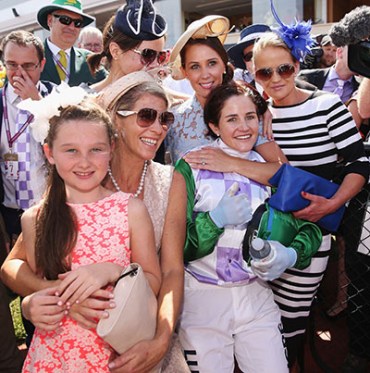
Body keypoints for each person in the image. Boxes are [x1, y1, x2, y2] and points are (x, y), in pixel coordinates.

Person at [1, 71, 189, 373]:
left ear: (107, 147)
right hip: (54, 355)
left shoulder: (147, 195)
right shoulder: (45, 209)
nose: (157, 127)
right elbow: (18, 266)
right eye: (146, 116)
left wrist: (161, 338)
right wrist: (40, 299)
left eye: (164, 119)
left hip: (124, 342)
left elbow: (168, 272)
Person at [252, 9, 369, 367]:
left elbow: (359, 164)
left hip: (312, 234)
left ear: (297, 66)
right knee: (261, 320)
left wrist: (333, 203)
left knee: (292, 322)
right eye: (264, 72)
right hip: (262, 233)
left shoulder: (326, 106)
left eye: (283, 68)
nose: (275, 78)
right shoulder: (254, 114)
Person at [175, 82, 311, 372]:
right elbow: (177, 246)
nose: (243, 127)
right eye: (232, 119)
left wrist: (289, 255)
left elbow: (308, 228)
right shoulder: (192, 166)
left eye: (250, 117)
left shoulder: (272, 167)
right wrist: (213, 221)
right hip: (202, 301)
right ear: (214, 125)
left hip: (256, 296)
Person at [166, 15, 287, 183]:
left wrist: (231, 163)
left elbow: (283, 172)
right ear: (184, 71)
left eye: (212, 63)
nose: (205, 74)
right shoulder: (174, 120)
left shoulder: (249, 110)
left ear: (224, 65)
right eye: (195, 66)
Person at [0, 30, 55, 244]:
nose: (19, 73)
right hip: (10, 216)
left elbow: (66, 143)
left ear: (41, 65)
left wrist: (37, 103)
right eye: (12, 64)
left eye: (28, 66)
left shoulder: (57, 97)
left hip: (53, 211)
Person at [87, 0, 167, 94]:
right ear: (115, 51)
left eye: (161, 56)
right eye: (148, 54)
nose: (156, 64)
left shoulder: (161, 100)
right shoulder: (81, 102)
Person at [37, 0, 107, 86]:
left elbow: (111, 83)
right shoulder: (33, 55)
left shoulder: (89, 59)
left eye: (77, 23)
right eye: (65, 20)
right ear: (50, 20)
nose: (72, 27)